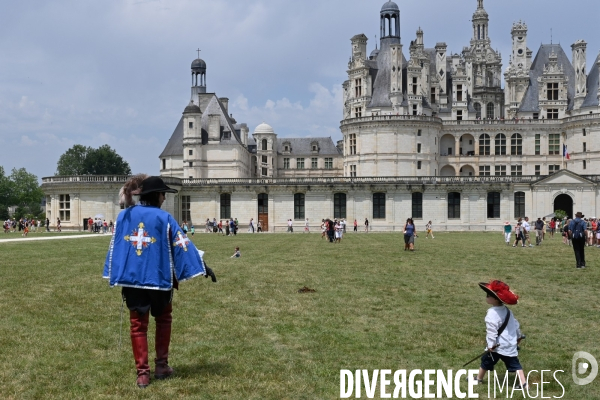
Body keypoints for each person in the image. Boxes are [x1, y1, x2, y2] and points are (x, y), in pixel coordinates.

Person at [104, 175, 216, 389]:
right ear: (156, 195)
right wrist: (202, 265)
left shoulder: (124, 217)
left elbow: (116, 248)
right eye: (163, 194)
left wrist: (116, 273)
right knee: (163, 319)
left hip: (133, 281)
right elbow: (183, 245)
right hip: (159, 279)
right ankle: (161, 366)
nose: (165, 198)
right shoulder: (164, 218)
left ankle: (143, 374)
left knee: (138, 326)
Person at [476, 281, 527, 390]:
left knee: (486, 361)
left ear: (495, 299)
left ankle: (479, 379)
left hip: (496, 346)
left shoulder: (491, 313)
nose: (486, 297)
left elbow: (491, 331)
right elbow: (515, 325)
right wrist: (518, 336)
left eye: (488, 295)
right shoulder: (507, 311)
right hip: (508, 345)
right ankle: (524, 384)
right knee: (514, 364)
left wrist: (491, 345)